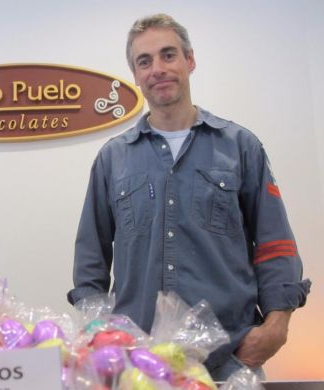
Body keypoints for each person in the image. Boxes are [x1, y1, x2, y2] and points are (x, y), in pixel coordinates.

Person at [68, 14, 311, 380]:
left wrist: (277, 324)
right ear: (135, 75)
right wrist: (100, 335)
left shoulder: (240, 147)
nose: (158, 69)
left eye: (168, 55)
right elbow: (90, 260)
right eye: (144, 61)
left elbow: (276, 242)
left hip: (230, 361)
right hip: (139, 366)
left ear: (190, 60)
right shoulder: (112, 159)